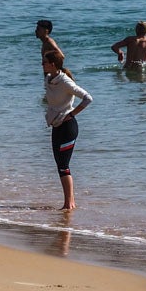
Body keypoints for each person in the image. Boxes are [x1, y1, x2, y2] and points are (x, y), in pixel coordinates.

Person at [43, 50, 92, 211]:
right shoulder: (49, 79)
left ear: (53, 64)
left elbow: (87, 98)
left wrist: (71, 114)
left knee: (64, 165)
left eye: (44, 62)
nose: (42, 64)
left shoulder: (65, 81)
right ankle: (69, 202)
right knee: (59, 165)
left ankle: (69, 204)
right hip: (56, 126)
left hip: (68, 127)